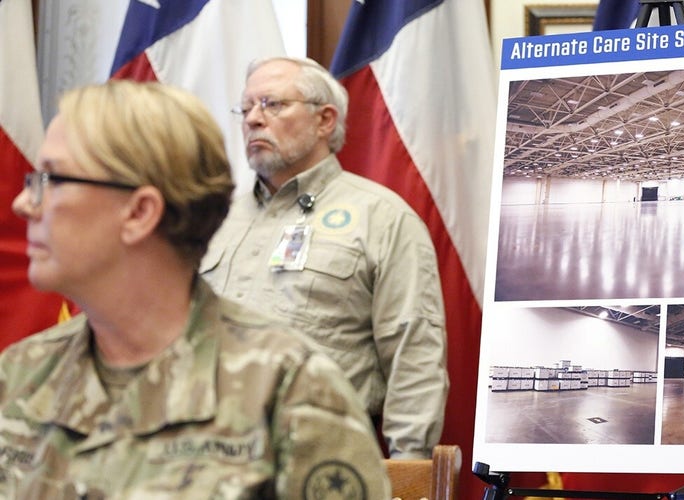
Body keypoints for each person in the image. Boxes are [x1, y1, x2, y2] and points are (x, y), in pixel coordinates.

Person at [0, 80, 390, 498]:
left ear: (140, 213)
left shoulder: (289, 390)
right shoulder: (19, 375)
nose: (24, 203)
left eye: (52, 179)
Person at [200, 57, 448, 459]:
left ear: (325, 120)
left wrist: (408, 470)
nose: (253, 120)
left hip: (320, 460)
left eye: (272, 104)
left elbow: (413, 355)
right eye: (246, 109)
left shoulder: (382, 217)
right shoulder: (215, 217)